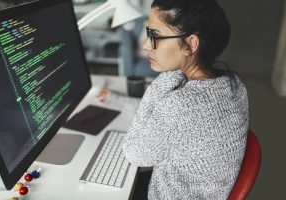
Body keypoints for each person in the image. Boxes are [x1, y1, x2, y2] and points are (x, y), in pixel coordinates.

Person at [101, 0, 249, 199]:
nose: (146, 45)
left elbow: (134, 153)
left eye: (155, 35)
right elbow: (163, 116)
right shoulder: (234, 83)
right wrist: (115, 98)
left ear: (190, 43)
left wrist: (161, 81)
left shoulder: (180, 102)